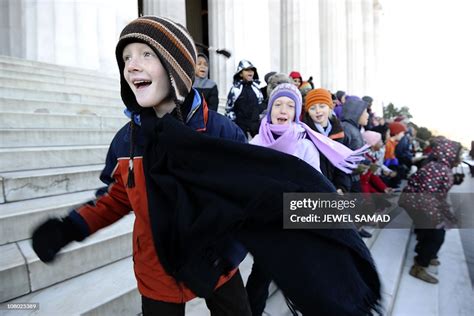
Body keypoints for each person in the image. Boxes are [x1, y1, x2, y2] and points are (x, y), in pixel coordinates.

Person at [31, 16, 251, 316]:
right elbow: (117, 197)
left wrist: (228, 252)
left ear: (176, 66)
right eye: (126, 58)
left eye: (146, 54)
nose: (131, 65)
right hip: (156, 270)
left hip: (217, 265)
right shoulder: (126, 141)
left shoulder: (221, 132)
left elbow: (250, 197)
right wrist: (69, 228)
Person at [247, 83, 370, 315]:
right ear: (270, 108)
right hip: (263, 222)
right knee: (260, 274)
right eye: (278, 104)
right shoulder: (256, 142)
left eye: (290, 106)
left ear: (296, 113)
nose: (283, 110)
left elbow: (312, 186)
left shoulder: (304, 145)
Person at [399, 137, 461, 284]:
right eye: (457, 154)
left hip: (418, 203)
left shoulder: (441, 166)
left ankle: (426, 254)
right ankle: (419, 267)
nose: (458, 157)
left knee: (431, 232)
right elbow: (426, 196)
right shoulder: (437, 169)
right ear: (449, 153)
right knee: (436, 234)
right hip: (417, 203)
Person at [302, 88, 351, 193]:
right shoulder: (305, 135)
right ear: (308, 111)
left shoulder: (341, 135)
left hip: (337, 191)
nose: (318, 111)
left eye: (322, 106)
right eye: (312, 108)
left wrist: (342, 187)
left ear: (330, 108)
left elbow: (344, 165)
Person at [225, 60, 264, 137]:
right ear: (240, 74)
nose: (250, 72)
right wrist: (233, 127)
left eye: (252, 70)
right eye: (247, 70)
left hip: (255, 127)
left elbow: (261, 105)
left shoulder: (256, 88)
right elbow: (229, 109)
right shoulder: (235, 89)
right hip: (240, 127)